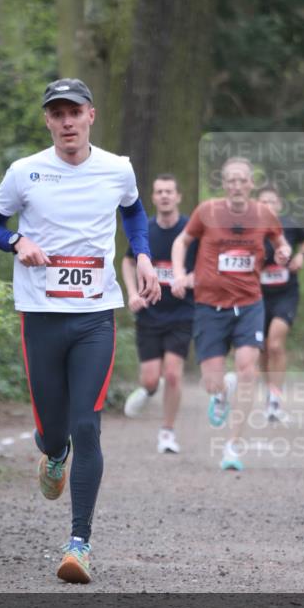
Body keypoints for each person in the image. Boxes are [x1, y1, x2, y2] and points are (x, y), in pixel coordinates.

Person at [0, 78, 160, 583]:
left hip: (95, 316)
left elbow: (134, 212)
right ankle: (52, 453)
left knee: (88, 425)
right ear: (48, 121)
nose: (66, 122)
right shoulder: (26, 172)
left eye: (74, 112)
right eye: (56, 114)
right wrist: (17, 241)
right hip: (39, 316)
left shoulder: (117, 168)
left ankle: (79, 543)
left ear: (90, 116)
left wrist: (142, 255)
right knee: (56, 431)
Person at [170, 157, 291, 471]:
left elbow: (280, 242)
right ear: (224, 185)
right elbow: (182, 241)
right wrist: (179, 274)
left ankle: (233, 446)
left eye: (242, 180)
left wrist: (283, 252)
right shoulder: (207, 211)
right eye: (231, 181)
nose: (237, 186)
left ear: (251, 184)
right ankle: (221, 392)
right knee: (212, 381)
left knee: (247, 369)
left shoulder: (263, 213)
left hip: (250, 303)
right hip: (210, 306)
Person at [121, 174, 197, 454]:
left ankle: (167, 432)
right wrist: (131, 294)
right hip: (150, 315)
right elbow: (128, 261)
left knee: (174, 374)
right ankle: (150, 390)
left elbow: (208, 266)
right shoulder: (146, 231)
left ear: (178, 196)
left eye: (169, 191)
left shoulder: (191, 230)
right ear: (153, 198)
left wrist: (188, 280)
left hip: (182, 313)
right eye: (159, 191)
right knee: (151, 379)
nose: (164, 196)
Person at [257, 185, 304, 422]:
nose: (268, 206)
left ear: (279, 204)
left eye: (272, 201)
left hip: (286, 294)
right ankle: (270, 394)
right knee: (262, 348)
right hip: (257, 296)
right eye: (263, 202)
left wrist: (301, 255)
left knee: (276, 345)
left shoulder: (289, 225)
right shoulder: (250, 230)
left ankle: (275, 400)